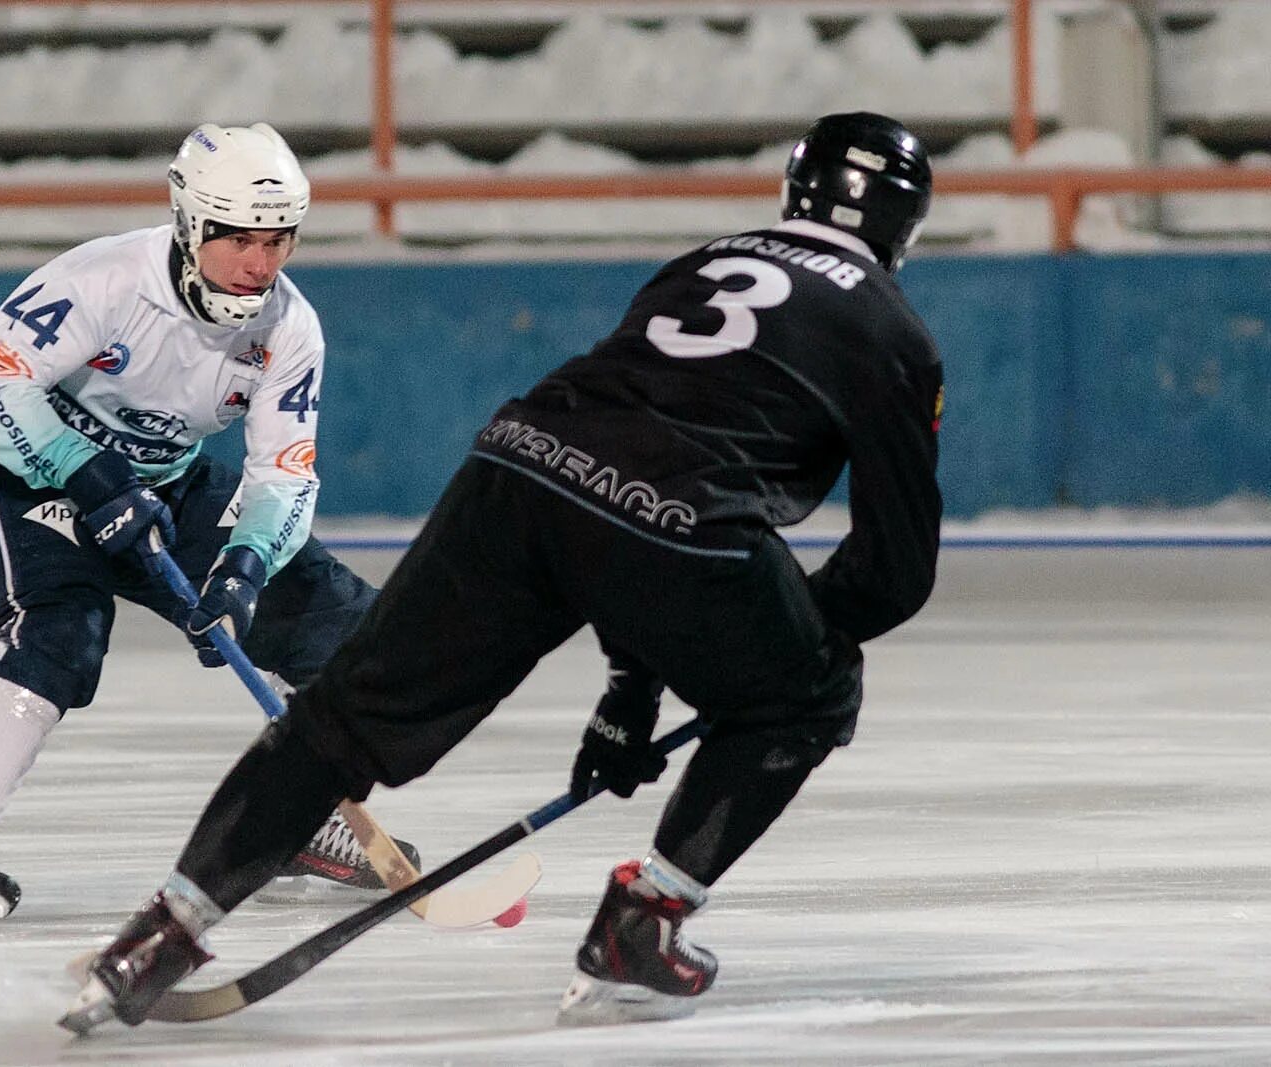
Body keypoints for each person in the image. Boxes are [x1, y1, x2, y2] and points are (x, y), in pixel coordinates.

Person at [60, 110, 944, 1031]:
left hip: (521, 465)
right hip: (682, 516)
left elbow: (616, 464)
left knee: (344, 720)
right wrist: (771, 656)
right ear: (905, 224)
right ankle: (643, 926)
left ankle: (158, 934)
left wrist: (630, 694)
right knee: (813, 690)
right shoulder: (892, 328)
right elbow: (891, 571)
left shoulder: (705, 263)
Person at [0, 122, 418, 933]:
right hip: (25, 472)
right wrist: (90, 476)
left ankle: (299, 810)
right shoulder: (104, 280)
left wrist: (248, 566)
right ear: (192, 224)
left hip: (166, 483)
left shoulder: (289, 327)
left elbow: (284, 469)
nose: (261, 264)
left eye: (279, 240)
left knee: (344, 626)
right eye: (240, 240)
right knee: (59, 628)